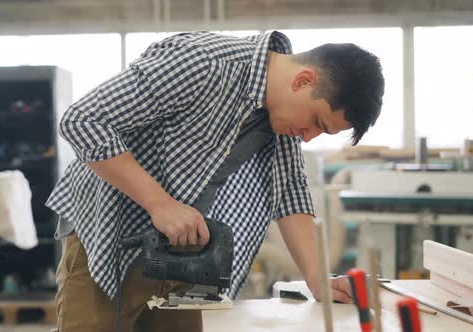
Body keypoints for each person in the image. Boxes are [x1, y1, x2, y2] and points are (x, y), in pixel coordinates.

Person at [47, 30, 385, 332]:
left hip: (181, 250)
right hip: (107, 237)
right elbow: (82, 120)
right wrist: (159, 203)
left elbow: (290, 191)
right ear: (303, 81)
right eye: (316, 122)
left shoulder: (279, 114)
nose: (308, 138)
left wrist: (317, 280)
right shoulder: (204, 63)